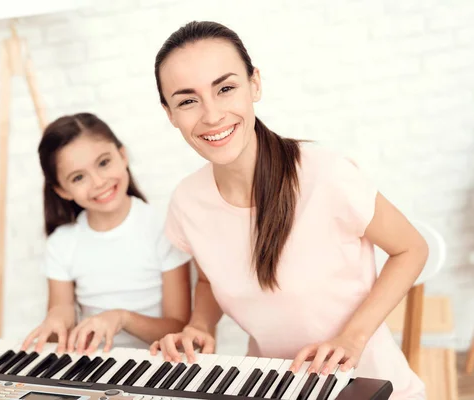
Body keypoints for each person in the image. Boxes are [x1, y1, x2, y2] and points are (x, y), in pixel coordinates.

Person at [149, 21, 427, 399]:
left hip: (369, 384)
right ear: (169, 113)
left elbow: (411, 249)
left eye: (226, 88)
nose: (211, 115)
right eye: (187, 100)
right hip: (273, 386)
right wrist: (199, 325)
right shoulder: (186, 202)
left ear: (255, 84)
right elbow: (212, 280)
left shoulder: (326, 176)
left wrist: (352, 337)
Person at [21, 112, 192, 355]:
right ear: (62, 191)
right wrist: (55, 319)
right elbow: (62, 309)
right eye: (78, 177)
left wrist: (122, 318)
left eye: (103, 163)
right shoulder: (62, 242)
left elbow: (179, 328)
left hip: (160, 363)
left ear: (122, 156)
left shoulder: (164, 226)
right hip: (94, 365)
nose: (98, 182)